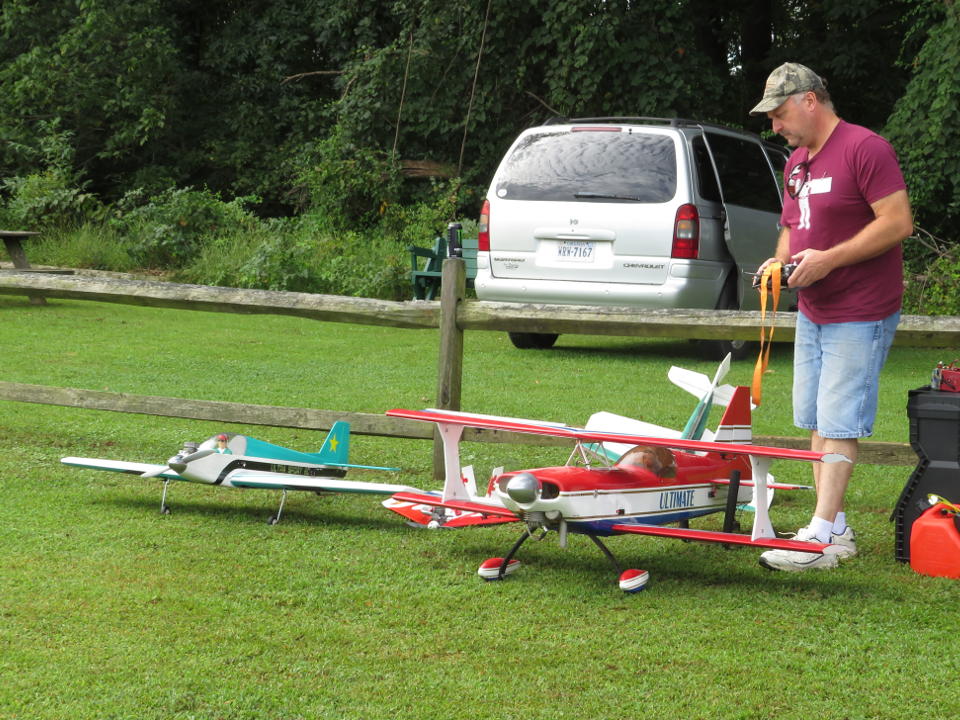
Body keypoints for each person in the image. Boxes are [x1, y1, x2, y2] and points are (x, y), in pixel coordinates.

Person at [749, 62, 914, 571]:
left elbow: (898, 222)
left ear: (810, 100)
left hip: (860, 310)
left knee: (839, 420)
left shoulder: (866, 149)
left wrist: (828, 260)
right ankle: (836, 527)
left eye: (779, 113)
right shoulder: (796, 162)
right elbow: (790, 228)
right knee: (817, 420)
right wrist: (780, 263)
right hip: (813, 310)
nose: (775, 126)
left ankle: (818, 538)